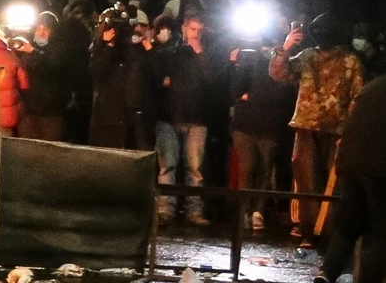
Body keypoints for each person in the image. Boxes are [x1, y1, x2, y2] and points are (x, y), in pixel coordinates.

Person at [273, 16, 366, 237]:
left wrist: (350, 132)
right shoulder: (308, 56)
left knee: (332, 186)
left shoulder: (350, 60)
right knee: (306, 183)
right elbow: (279, 73)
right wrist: (285, 48)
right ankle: (309, 231)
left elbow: (357, 98)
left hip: (336, 130)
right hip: (307, 127)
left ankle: (329, 233)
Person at [313, 75, 386, 283]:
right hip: (379, 168)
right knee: (381, 231)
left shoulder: (372, 86)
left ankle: (327, 273)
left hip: (349, 164)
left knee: (351, 221)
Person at [154, 16, 219, 225]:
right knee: (167, 166)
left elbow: (211, 81)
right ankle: (165, 210)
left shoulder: (207, 54)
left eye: (199, 30)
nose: (195, 34)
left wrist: (199, 51)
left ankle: (194, 211)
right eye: (192, 29)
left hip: (197, 118)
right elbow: (159, 74)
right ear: (183, 29)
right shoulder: (172, 52)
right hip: (169, 116)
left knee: (195, 168)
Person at [232, 31, 298, 233]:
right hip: (245, 126)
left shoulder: (288, 69)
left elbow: (283, 94)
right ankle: (243, 210)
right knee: (248, 168)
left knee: (265, 170)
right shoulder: (252, 62)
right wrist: (234, 65)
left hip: (270, 127)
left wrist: (254, 97)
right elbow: (234, 90)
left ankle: (257, 211)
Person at [89, 15, 156, 150]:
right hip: (108, 115)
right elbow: (96, 72)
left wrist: (148, 46)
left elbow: (155, 72)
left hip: (136, 115)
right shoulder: (101, 48)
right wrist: (107, 46)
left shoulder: (138, 49)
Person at [17, 13, 73, 141]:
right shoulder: (27, 47)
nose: (41, 33)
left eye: (45, 29)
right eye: (38, 29)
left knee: (49, 150)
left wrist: (33, 52)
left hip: (51, 112)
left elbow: (52, 66)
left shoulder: (60, 48)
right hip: (28, 110)